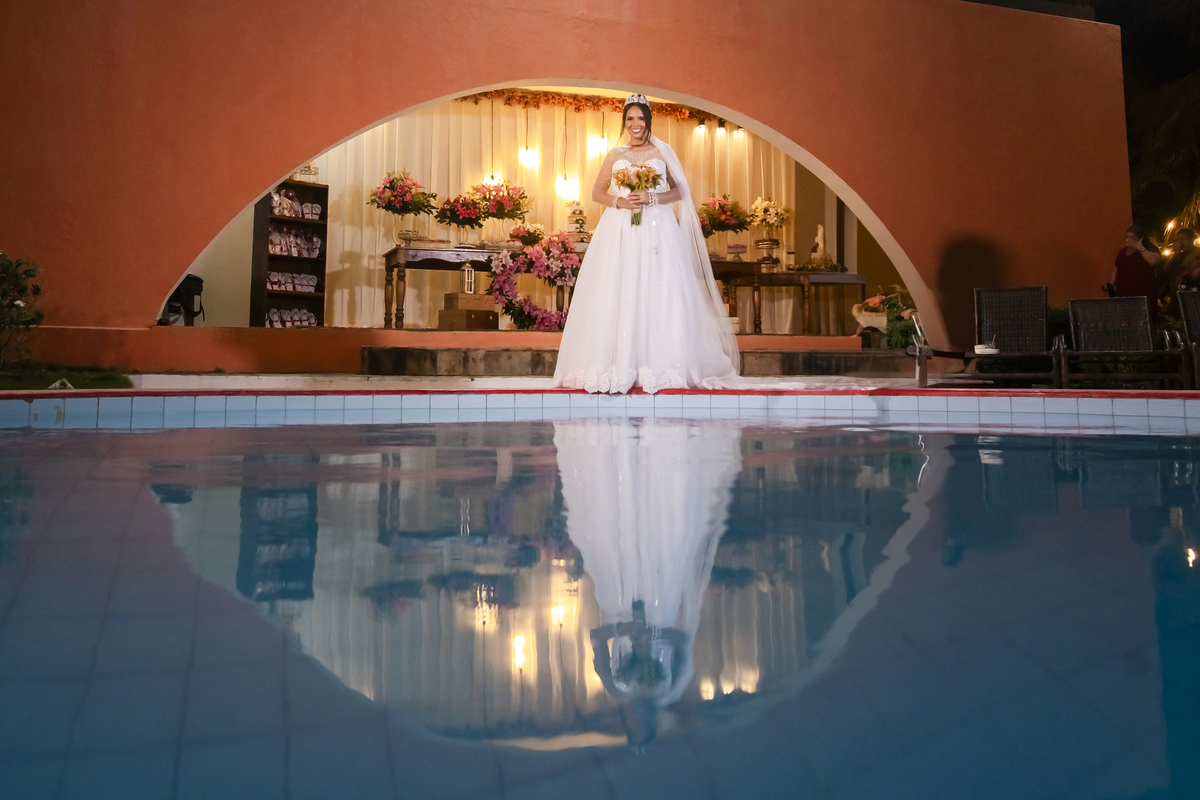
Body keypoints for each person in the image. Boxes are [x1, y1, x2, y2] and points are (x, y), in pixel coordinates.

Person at [552, 94, 741, 394]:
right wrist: (620, 201)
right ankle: (618, 363)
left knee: (658, 288)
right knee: (620, 287)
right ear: (624, 122)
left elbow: (680, 191)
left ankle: (660, 362)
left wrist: (651, 197)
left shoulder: (662, 151)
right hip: (621, 228)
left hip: (656, 227)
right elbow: (596, 192)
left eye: (640, 118)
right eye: (630, 118)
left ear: (648, 120)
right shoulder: (615, 154)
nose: (635, 124)